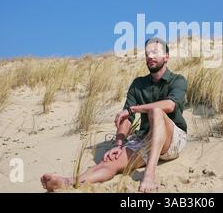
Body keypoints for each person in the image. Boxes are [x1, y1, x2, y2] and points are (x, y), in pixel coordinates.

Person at [41, 37, 188, 192]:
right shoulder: (138, 84)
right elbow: (126, 118)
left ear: (166, 57)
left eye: (155, 52)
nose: (150, 56)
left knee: (156, 111)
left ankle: (149, 174)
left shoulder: (178, 80)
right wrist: (118, 144)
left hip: (173, 139)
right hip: (147, 138)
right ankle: (69, 181)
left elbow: (170, 105)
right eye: (147, 53)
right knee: (110, 162)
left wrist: (134, 109)